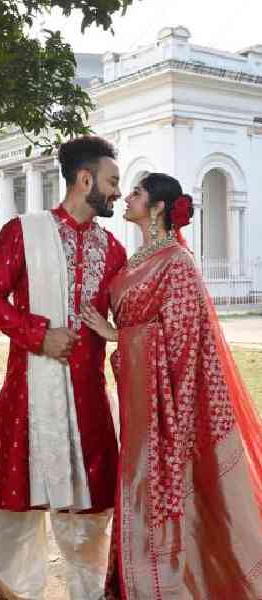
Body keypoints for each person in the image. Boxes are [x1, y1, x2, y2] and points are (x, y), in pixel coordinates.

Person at [80, 173, 262, 599]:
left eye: (137, 193)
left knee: (155, 485)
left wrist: (118, 335)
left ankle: (172, 583)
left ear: (158, 207)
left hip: (169, 401)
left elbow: (182, 337)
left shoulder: (177, 263)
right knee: (136, 481)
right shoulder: (135, 259)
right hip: (140, 394)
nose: (127, 197)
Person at [0, 136, 127, 600]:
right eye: (112, 181)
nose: (118, 192)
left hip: (88, 402)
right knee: (18, 516)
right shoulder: (24, 231)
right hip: (27, 397)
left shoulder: (113, 250)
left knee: (89, 522)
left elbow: (130, 319)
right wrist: (38, 334)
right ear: (85, 180)